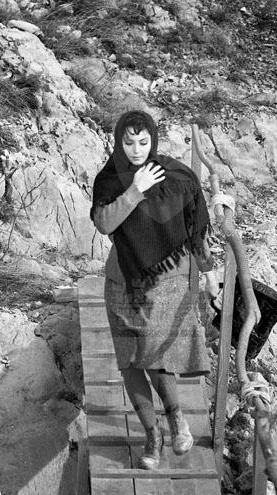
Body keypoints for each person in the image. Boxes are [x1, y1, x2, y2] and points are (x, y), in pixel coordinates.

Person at [90, 110, 219, 470]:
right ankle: (152, 435)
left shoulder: (175, 177)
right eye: (129, 142)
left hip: (163, 283)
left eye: (143, 142)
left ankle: (176, 417)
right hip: (122, 282)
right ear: (119, 143)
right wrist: (134, 190)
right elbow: (105, 224)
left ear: (153, 141)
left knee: (155, 356)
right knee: (130, 362)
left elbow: (193, 228)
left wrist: (209, 272)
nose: (136, 149)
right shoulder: (110, 179)